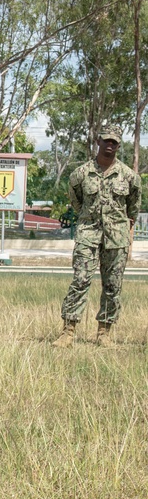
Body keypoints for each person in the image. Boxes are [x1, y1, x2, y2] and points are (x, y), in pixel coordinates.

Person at [52, 124, 141, 348]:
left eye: (114, 142)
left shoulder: (130, 177)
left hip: (116, 239)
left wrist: (123, 230)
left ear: (119, 145)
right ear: (98, 142)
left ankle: (104, 333)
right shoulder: (80, 174)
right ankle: (68, 332)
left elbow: (133, 209)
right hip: (88, 235)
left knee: (113, 286)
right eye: (106, 141)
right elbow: (76, 202)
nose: (110, 145)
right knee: (80, 280)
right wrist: (89, 219)